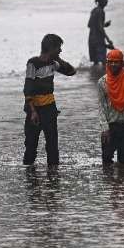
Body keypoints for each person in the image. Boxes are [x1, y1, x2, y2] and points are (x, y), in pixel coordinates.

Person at [23, 33, 77, 169]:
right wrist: (33, 112)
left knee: (52, 144)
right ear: (51, 48)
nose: (60, 50)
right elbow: (28, 88)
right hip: (34, 109)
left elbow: (72, 72)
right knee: (31, 144)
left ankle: (53, 176)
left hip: (50, 109)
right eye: (58, 48)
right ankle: (28, 173)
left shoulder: (53, 64)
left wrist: (59, 59)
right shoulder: (33, 63)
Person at [87, 0, 114, 66]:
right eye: (105, 0)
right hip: (99, 40)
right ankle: (102, 76)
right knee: (103, 63)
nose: (106, 1)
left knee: (95, 63)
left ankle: (94, 77)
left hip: (91, 40)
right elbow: (100, 28)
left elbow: (89, 25)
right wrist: (108, 40)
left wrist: (104, 25)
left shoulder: (94, 10)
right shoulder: (101, 11)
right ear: (101, 1)